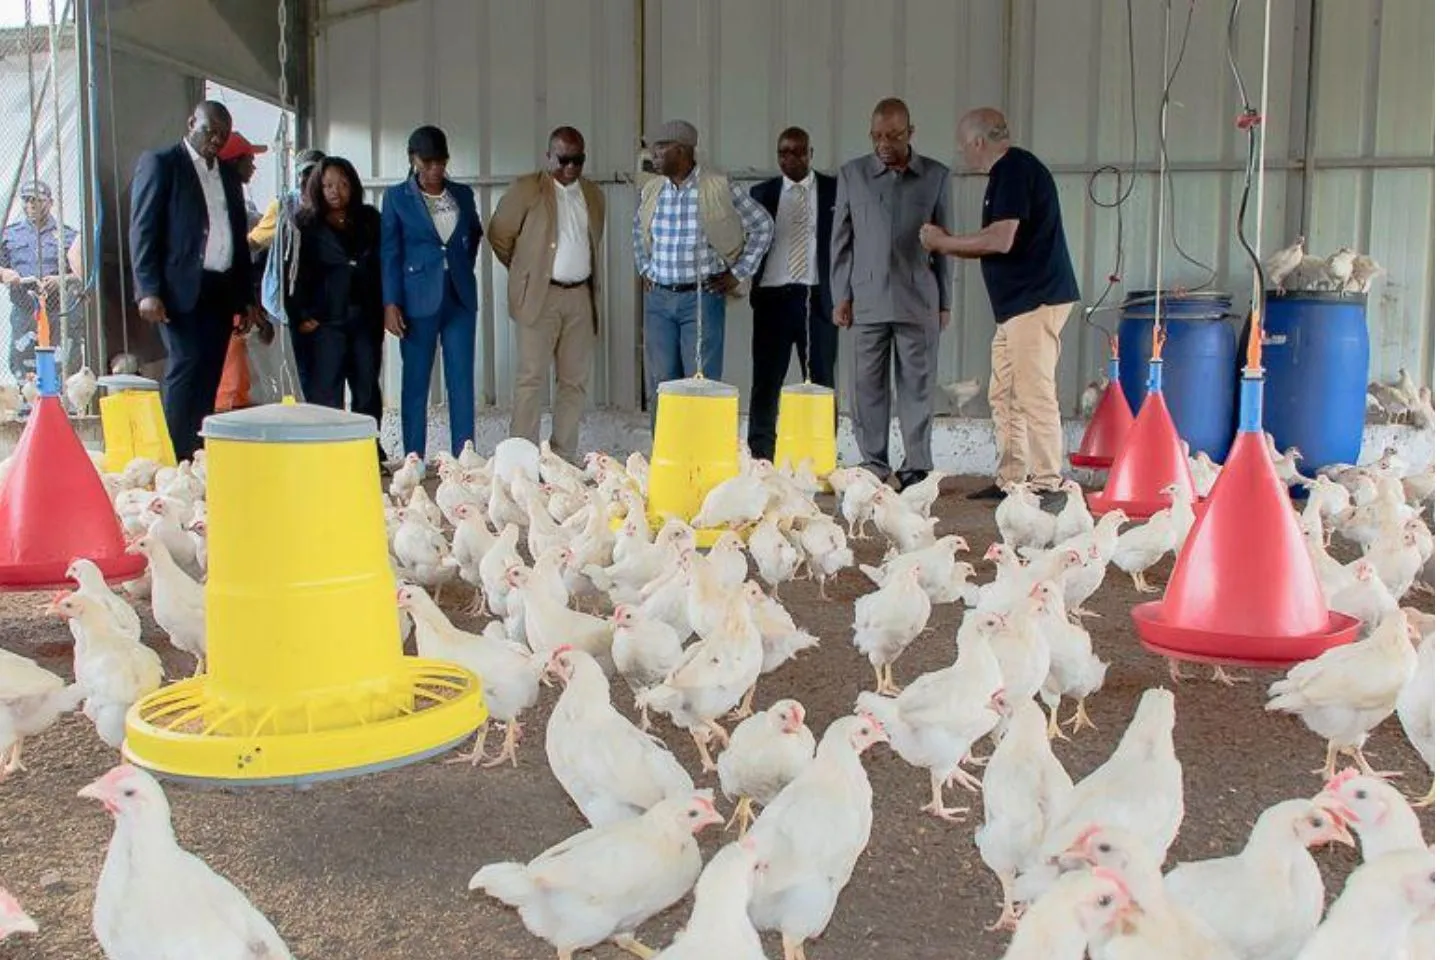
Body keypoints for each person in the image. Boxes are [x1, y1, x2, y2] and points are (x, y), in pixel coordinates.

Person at [922, 107, 1079, 505]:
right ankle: (1013, 476)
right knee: (1005, 392)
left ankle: (1047, 481)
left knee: (1033, 389)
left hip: (1034, 301)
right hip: (1016, 307)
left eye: (963, 147)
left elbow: (1001, 239)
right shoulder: (1010, 172)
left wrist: (943, 243)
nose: (963, 154)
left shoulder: (1012, 170)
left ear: (978, 142)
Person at [128, 100, 261, 461]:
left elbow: (237, 236)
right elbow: (142, 230)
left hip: (220, 288)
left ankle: (196, 453)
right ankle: (173, 454)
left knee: (210, 369)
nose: (215, 139)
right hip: (178, 290)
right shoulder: (162, 164)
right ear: (191, 123)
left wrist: (246, 298)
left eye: (222, 134)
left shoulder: (229, 176)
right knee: (186, 363)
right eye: (209, 130)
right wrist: (148, 290)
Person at [831, 97, 951, 490]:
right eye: (877, 136)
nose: (884, 144)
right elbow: (841, 241)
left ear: (910, 133)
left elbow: (946, 244)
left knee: (917, 384)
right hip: (865, 300)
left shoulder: (936, 176)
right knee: (867, 386)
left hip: (919, 298)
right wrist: (840, 295)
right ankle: (874, 462)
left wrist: (945, 301)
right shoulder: (852, 175)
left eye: (894, 136)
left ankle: (917, 463)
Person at [632, 119, 773, 425]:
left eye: (660, 148)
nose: (653, 156)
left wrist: (739, 273)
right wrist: (645, 267)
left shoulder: (717, 186)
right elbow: (637, 230)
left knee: (701, 382)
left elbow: (763, 225)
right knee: (661, 384)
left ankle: (701, 458)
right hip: (658, 301)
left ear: (680, 151)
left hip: (700, 299)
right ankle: (666, 458)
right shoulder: (652, 189)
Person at [487, 126, 606, 465]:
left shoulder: (594, 195)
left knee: (574, 381)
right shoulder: (527, 189)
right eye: (564, 159)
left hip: (580, 296)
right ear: (548, 156)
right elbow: (499, 235)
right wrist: (527, 272)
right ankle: (522, 460)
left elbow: (592, 243)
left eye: (578, 160)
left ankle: (563, 458)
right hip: (540, 296)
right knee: (531, 380)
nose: (570, 168)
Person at [381, 125, 483, 461]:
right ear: (413, 160)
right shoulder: (396, 197)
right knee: (415, 384)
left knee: (461, 381)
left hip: (459, 298)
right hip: (416, 300)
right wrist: (390, 302)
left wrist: (458, 267)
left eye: (441, 161)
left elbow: (473, 234)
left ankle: (464, 459)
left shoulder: (462, 195)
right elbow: (390, 252)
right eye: (428, 162)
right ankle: (414, 459)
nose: (435, 169)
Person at [746, 126, 838, 463]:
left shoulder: (834, 191)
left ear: (811, 154)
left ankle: (821, 453)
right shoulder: (762, 193)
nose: (790, 159)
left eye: (798, 152)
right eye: (783, 152)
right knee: (766, 380)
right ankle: (761, 456)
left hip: (817, 297)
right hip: (773, 298)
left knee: (821, 379)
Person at [287, 156, 384, 458]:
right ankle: (327, 454)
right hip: (325, 321)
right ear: (318, 187)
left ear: (353, 186)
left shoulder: (369, 220)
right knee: (326, 391)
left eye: (342, 184)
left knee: (366, 388)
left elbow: (383, 266)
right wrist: (302, 315)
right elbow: (295, 273)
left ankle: (366, 451)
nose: (335, 192)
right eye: (328, 185)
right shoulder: (305, 223)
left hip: (364, 318)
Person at [0, 180, 83, 381]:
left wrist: (60, 279)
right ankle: (28, 407)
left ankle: (63, 407)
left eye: (37, 201)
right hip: (25, 309)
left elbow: (83, 275)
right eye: (26, 200)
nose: (31, 206)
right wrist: (5, 274)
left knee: (63, 366)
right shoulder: (9, 235)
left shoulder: (68, 235)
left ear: (50, 202)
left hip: (58, 312)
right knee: (23, 365)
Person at [214, 130, 270, 412]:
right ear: (234, 162)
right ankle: (227, 406)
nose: (253, 166)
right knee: (230, 355)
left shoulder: (233, 197)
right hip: (225, 296)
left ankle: (234, 401)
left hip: (234, 296)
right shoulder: (223, 201)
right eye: (249, 159)